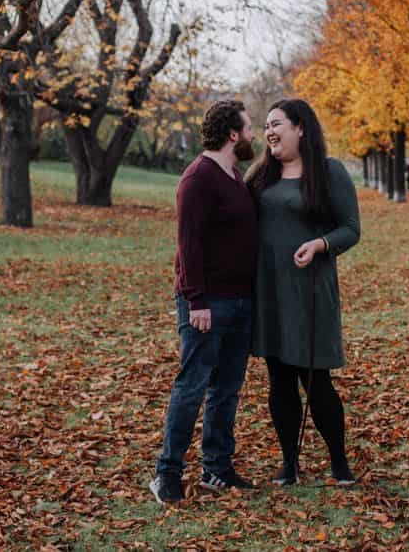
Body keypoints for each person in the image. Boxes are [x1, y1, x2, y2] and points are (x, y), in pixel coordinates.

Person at [248, 99, 361, 486]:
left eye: (277, 123)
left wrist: (319, 245)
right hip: (269, 293)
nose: (269, 131)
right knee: (278, 378)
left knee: (316, 380)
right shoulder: (261, 175)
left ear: (301, 128)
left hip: (311, 290)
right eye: (266, 126)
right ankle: (289, 464)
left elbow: (351, 228)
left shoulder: (329, 172)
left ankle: (339, 462)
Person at [150, 100, 258, 505]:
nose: (252, 135)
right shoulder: (198, 178)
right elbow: (188, 245)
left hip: (239, 302)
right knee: (192, 387)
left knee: (226, 390)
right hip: (206, 303)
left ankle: (216, 468)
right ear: (233, 134)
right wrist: (196, 302)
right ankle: (167, 475)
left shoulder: (234, 175)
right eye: (248, 129)